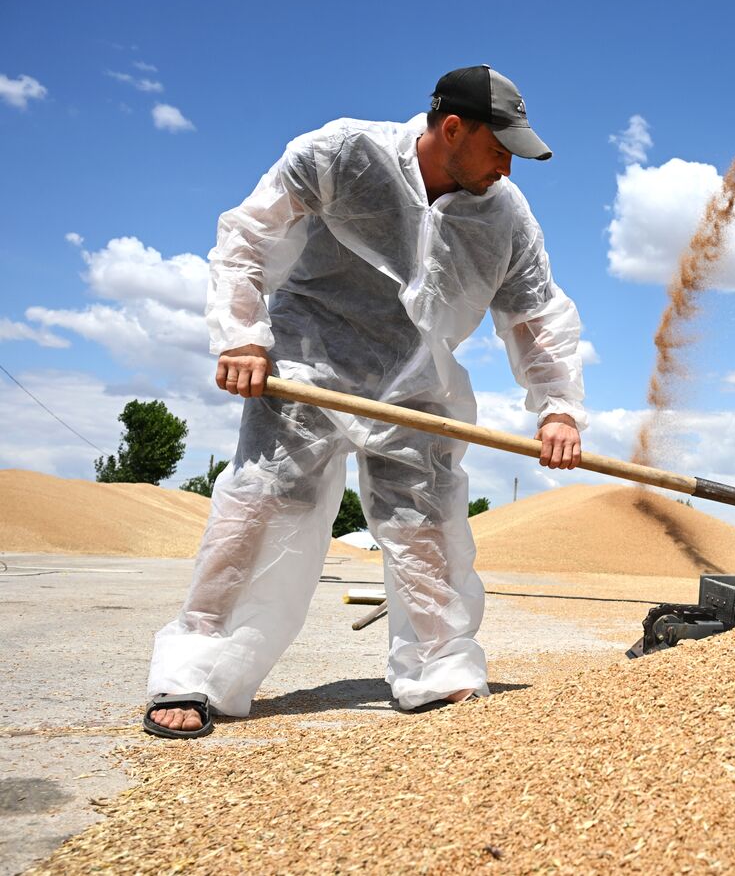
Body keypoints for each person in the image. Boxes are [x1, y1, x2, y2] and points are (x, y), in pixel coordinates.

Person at [143, 66, 587, 738]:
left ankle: (438, 668)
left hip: (413, 385)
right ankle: (194, 673)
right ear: (453, 128)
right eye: (500, 148)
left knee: (425, 526)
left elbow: (535, 319)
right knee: (258, 508)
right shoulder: (345, 153)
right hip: (305, 367)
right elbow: (248, 237)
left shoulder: (505, 217)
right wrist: (241, 336)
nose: (508, 167)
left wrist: (557, 408)